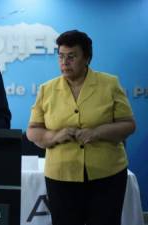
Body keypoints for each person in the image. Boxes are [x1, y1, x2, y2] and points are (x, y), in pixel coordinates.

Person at [26, 30, 136, 225]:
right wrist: (55, 136)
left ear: (87, 58)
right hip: (61, 175)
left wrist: (97, 133)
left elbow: (128, 125)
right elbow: (33, 130)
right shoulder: (47, 89)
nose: (64, 62)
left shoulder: (109, 84)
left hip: (107, 173)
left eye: (71, 56)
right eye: (60, 56)